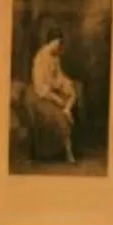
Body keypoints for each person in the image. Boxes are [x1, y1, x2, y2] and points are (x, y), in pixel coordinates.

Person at [19, 18, 81, 166]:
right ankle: (67, 151)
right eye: (58, 42)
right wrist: (57, 99)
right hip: (39, 94)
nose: (60, 46)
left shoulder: (55, 57)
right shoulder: (41, 58)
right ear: (51, 42)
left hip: (51, 91)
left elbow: (58, 76)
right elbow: (41, 86)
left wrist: (66, 84)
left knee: (74, 93)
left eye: (60, 43)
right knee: (58, 115)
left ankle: (67, 113)